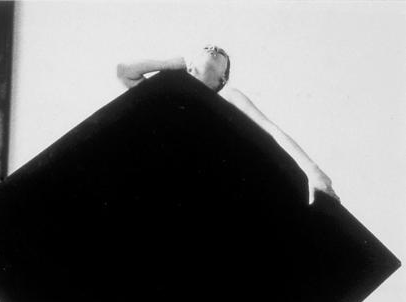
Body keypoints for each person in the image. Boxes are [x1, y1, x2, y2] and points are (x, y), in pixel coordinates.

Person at [117, 45, 340, 205]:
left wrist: (313, 170)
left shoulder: (228, 98)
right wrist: (169, 65)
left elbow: (272, 130)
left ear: (223, 78)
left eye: (221, 53)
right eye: (206, 48)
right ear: (191, 63)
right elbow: (126, 73)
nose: (213, 48)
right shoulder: (171, 95)